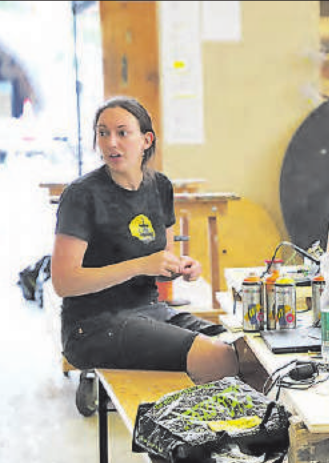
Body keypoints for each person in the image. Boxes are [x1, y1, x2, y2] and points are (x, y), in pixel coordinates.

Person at [51, 96, 247, 388]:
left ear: (146, 140)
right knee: (219, 357)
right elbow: (64, 282)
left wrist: (179, 267)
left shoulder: (160, 187)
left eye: (122, 132)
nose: (111, 143)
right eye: (103, 133)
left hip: (150, 312)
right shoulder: (81, 195)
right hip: (91, 326)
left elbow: (161, 263)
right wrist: (141, 264)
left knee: (242, 349)